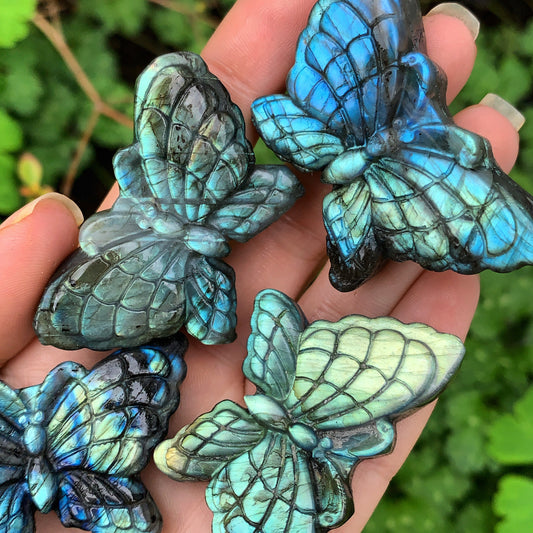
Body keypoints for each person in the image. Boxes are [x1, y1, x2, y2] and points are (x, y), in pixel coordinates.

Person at [0, 1, 524, 531]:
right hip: (222, 233)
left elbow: (272, 307)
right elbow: (268, 305)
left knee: (303, 260)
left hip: (215, 215)